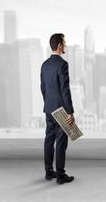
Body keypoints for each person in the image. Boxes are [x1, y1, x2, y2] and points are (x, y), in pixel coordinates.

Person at [40, 33, 75, 185]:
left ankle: (49, 172)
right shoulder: (62, 64)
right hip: (61, 109)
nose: (66, 45)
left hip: (48, 108)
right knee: (61, 142)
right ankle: (60, 175)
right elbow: (65, 90)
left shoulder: (44, 64)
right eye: (65, 42)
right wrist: (70, 112)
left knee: (49, 139)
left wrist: (48, 102)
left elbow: (43, 87)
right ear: (59, 45)